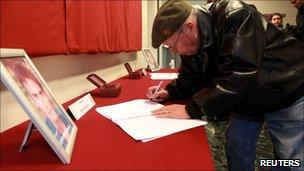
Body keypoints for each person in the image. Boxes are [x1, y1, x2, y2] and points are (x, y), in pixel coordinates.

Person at [147, 0, 304, 170]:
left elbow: (240, 74)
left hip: (285, 89)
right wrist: (169, 92)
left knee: (288, 157)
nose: (173, 51)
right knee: (236, 144)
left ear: (190, 28)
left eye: (173, 45)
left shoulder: (235, 15)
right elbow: (190, 77)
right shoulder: (191, 41)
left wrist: (191, 109)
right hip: (247, 95)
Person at [3, 59, 71, 148]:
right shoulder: (48, 128)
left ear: (45, 92)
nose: (42, 101)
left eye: (41, 93)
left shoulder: (62, 114)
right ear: (32, 101)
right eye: (35, 96)